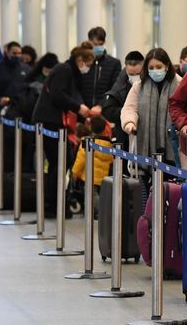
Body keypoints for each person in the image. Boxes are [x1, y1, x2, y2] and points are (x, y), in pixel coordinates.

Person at [33, 43, 95, 216]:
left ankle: (56, 203)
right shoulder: (64, 70)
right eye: (88, 65)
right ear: (80, 60)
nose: (87, 69)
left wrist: (81, 110)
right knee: (60, 161)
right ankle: (54, 204)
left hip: (51, 121)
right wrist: (79, 108)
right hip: (50, 121)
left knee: (60, 162)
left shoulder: (68, 71)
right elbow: (58, 95)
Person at [121, 48, 182, 200]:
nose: (155, 71)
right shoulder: (139, 86)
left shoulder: (180, 84)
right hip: (146, 151)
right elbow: (130, 108)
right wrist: (130, 123)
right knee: (146, 197)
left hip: (172, 151)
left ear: (167, 66)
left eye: (158, 67)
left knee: (171, 193)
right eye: (151, 68)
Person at [101, 50, 145, 148]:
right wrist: (129, 113)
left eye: (137, 74)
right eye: (131, 74)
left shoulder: (149, 85)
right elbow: (108, 110)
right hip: (123, 136)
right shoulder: (120, 85)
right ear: (125, 69)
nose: (134, 77)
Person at [78, 27, 122, 119]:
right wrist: (80, 105)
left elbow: (114, 89)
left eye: (100, 44)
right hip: (82, 112)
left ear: (104, 42)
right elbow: (76, 86)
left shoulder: (114, 63)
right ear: (89, 42)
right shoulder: (82, 62)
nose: (97, 47)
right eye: (94, 44)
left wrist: (101, 105)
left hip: (104, 114)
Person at [0, 41, 31, 116]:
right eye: (14, 53)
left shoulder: (26, 69)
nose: (17, 56)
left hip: (20, 110)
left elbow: (29, 87)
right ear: (7, 52)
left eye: (19, 53)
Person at [71, 115, 114, 191]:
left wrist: (74, 172)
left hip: (89, 177)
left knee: (91, 198)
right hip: (104, 179)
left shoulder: (87, 143)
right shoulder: (109, 145)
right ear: (104, 128)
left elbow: (81, 159)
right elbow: (111, 160)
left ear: (90, 127)